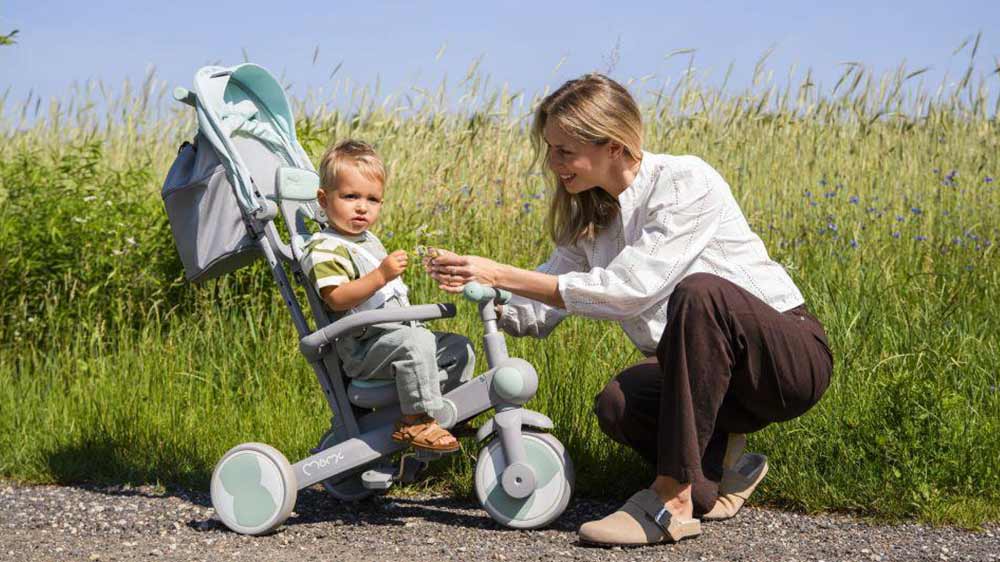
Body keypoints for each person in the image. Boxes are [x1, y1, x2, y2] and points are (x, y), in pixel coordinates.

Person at [425, 74, 833, 546]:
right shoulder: (594, 219)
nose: (553, 163)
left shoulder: (685, 181)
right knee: (618, 403)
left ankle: (671, 500)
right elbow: (535, 311)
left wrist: (502, 273)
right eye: (549, 149)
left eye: (564, 150)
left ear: (614, 144)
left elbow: (632, 290)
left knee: (700, 293)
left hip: (784, 360)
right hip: (705, 378)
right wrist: (482, 287)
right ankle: (720, 472)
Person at [301, 139, 474, 453]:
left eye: (372, 199)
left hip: (393, 337)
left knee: (458, 347)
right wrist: (380, 275)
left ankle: (449, 414)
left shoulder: (369, 241)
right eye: (350, 196)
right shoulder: (323, 247)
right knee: (417, 344)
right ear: (324, 200)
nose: (362, 207)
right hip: (362, 348)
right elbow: (336, 298)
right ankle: (416, 422)